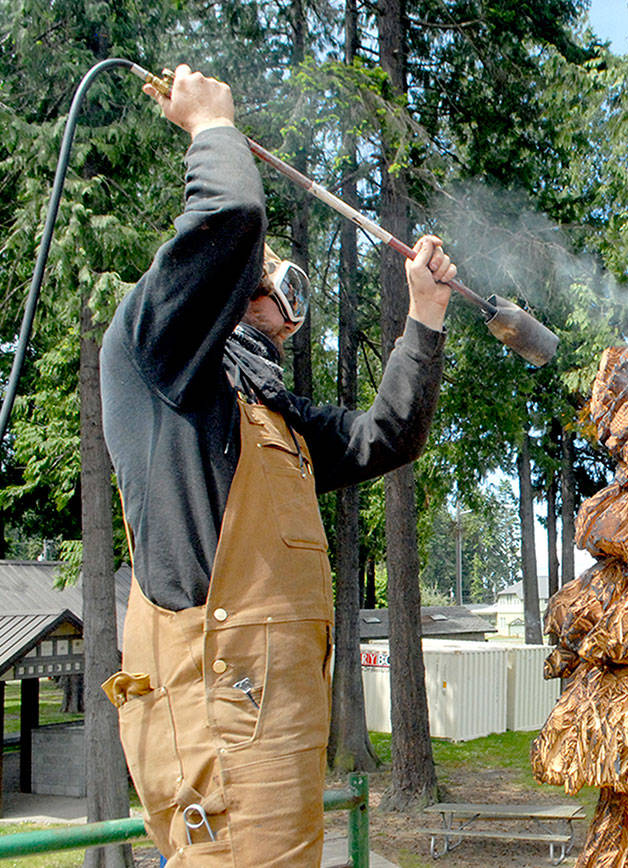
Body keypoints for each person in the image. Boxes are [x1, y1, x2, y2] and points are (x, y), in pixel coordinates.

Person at [99, 64, 455, 866]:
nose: (287, 316)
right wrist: (212, 126)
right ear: (228, 291)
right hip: (217, 739)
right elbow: (229, 213)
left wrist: (424, 319)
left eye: (297, 302)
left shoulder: (272, 419)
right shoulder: (164, 359)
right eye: (272, 287)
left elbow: (384, 437)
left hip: (275, 750)